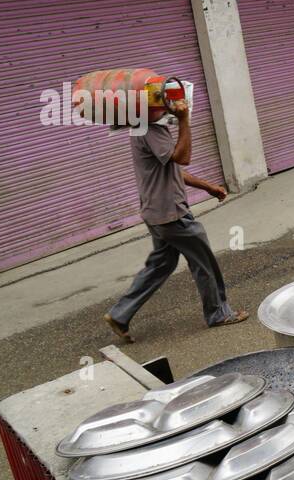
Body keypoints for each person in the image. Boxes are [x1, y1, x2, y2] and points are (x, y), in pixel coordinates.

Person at [104, 96, 247, 341]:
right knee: (204, 262)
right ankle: (218, 313)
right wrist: (184, 120)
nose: (171, 105)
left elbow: (172, 167)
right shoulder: (150, 129)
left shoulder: (142, 127)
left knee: (162, 264)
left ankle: (120, 314)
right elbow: (182, 157)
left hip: (155, 212)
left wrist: (206, 186)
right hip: (171, 213)